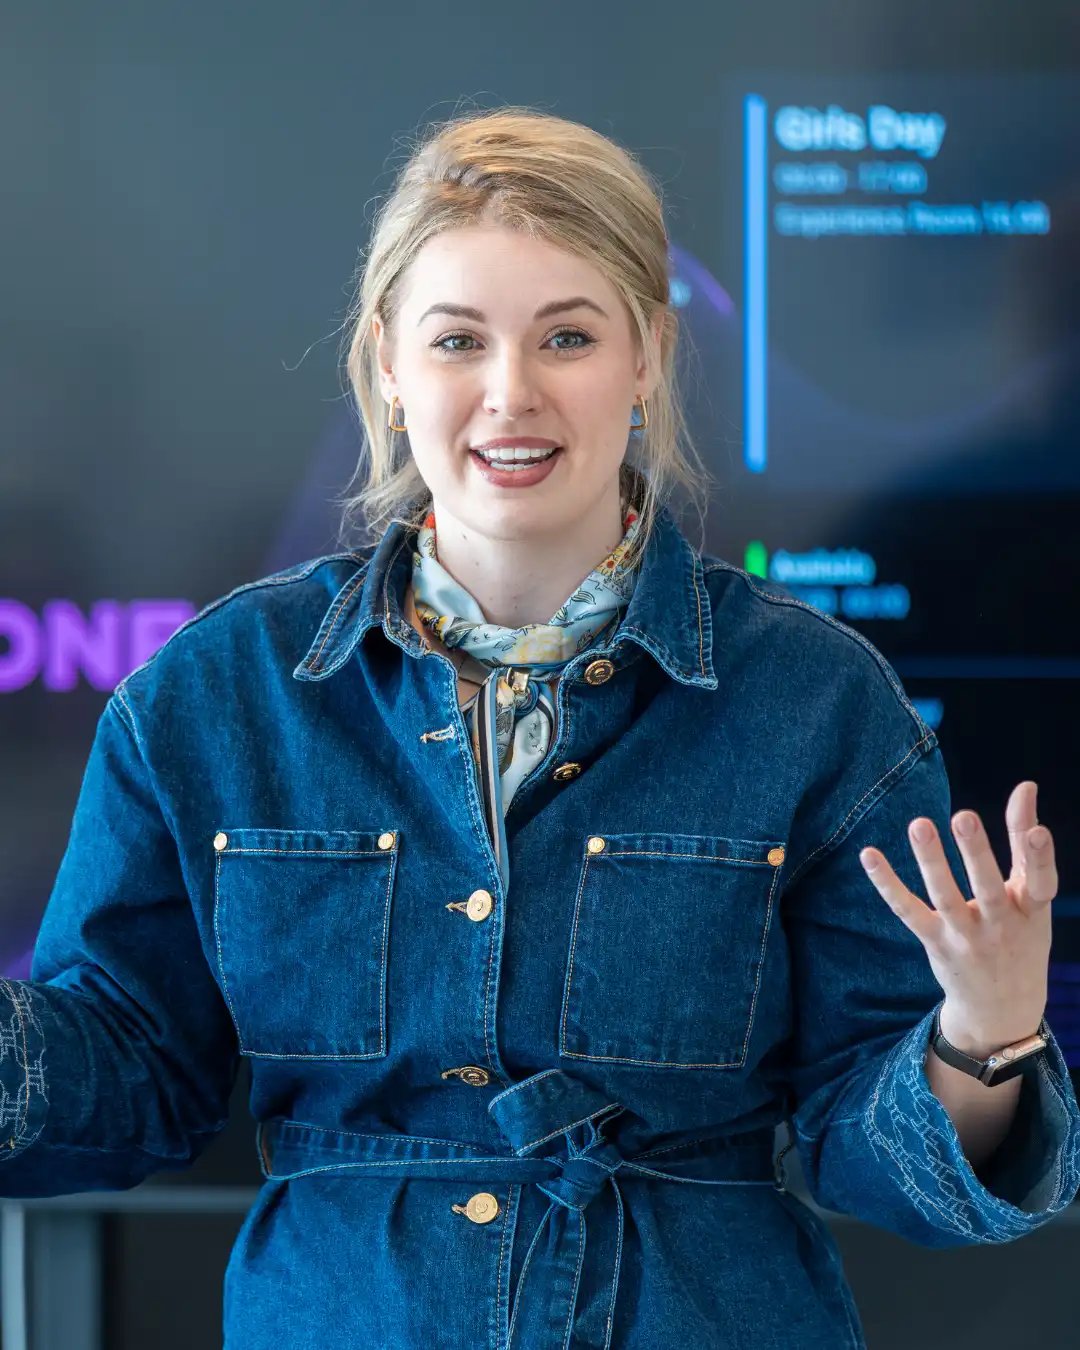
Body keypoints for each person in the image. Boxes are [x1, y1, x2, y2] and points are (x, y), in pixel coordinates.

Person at [2, 106, 1077, 1350]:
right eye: (459, 340)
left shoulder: (820, 703)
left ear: (648, 359)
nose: (511, 395)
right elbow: (131, 1071)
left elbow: (874, 1147)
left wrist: (986, 1038)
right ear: (389, 366)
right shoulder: (214, 695)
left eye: (568, 336)